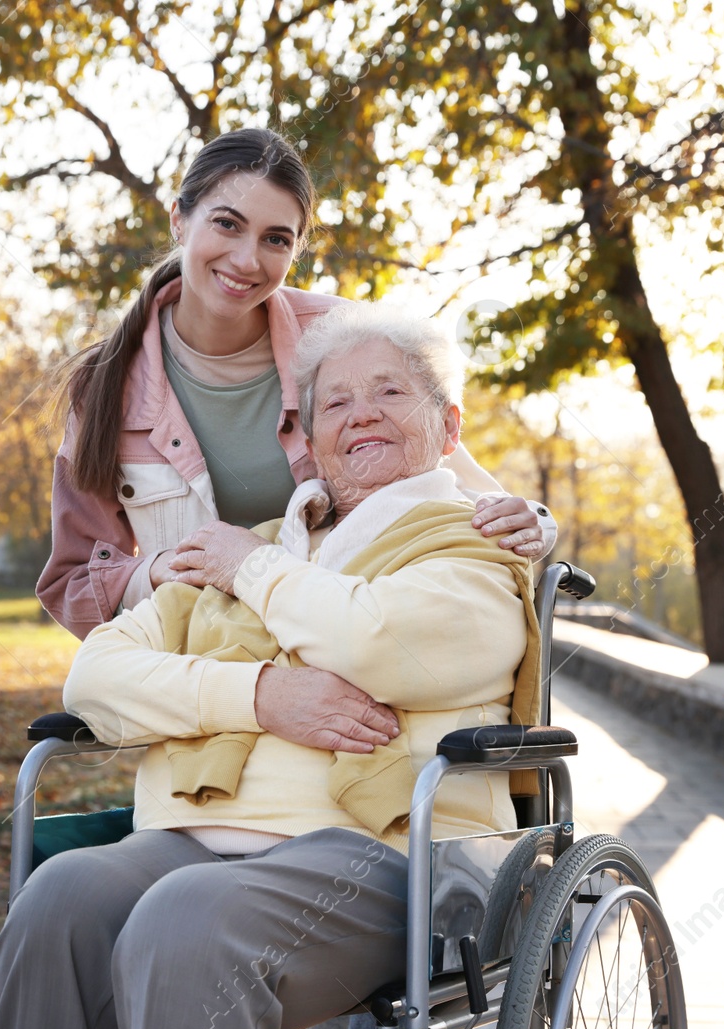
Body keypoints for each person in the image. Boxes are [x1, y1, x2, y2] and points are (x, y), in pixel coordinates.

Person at [0, 304, 544, 1029]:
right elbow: (96, 678)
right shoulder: (260, 550)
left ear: (449, 429)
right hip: (196, 839)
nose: (362, 415)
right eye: (336, 403)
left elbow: (374, 639)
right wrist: (258, 696)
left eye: (390, 393)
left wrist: (250, 569)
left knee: (186, 922)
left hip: (387, 859)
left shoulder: (471, 548)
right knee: (60, 901)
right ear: (310, 445)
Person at [37, 127, 555, 651]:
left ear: (295, 250)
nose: (247, 260)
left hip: (348, 645)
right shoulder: (105, 386)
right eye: (226, 224)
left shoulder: (341, 339)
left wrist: (532, 521)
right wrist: (161, 571)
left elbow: (457, 484)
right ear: (179, 220)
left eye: (275, 239)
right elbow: (70, 584)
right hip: (202, 664)